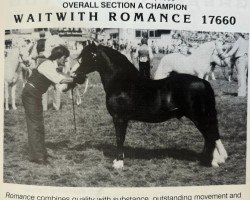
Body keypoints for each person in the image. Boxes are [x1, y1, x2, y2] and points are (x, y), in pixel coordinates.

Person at [22, 45, 84, 164]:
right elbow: (59, 79)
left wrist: (72, 84)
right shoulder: (47, 65)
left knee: (38, 125)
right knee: (35, 125)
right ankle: (38, 157)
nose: (66, 61)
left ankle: (39, 153)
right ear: (59, 57)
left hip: (35, 94)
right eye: (65, 58)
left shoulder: (52, 67)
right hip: (30, 93)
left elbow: (60, 88)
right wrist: (75, 79)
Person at [221, 33, 248, 97]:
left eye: (235, 35)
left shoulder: (238, 41)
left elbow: (232, 51)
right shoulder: (246, 41)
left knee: (241, 76)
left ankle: (241, 94)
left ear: (238, 35)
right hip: (247, 59)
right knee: (245, 76)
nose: (234, 36)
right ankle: (246, 92)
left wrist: (225, 56)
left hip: (240, 59)